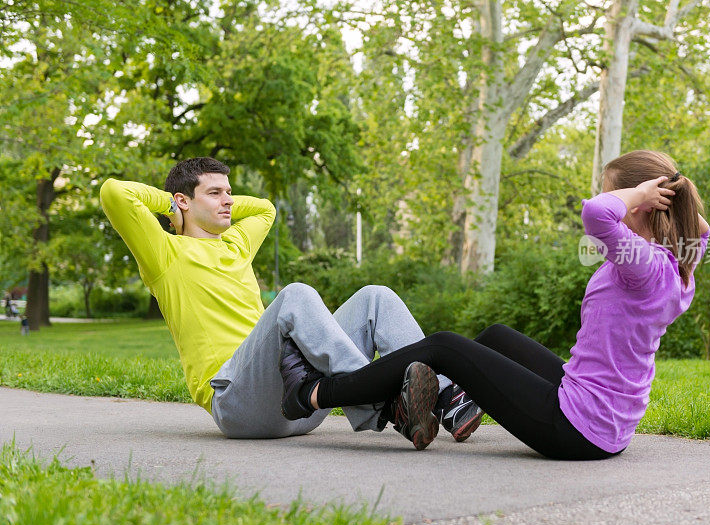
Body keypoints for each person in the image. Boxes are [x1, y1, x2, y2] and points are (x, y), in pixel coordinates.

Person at [282, 150, 710, 459]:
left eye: (616, 196)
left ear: (638, 207)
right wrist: (667, 189)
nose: (612, 202)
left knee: (444, 346)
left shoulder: (644, 263)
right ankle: (456, 406)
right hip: (604, 418)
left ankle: (314, 394)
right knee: (495, 339)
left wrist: (633, 193)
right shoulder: (680, 264)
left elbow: (596, 215)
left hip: (577, 430)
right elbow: (700, 226)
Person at [100, 157, 482, 448]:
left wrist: (209, 198)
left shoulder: (237, 245)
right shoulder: (164, 253)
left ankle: (449, 400)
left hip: (299, 405)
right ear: (181, 201)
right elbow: (115, 193)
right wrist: (171, 205)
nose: (229, 202)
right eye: (215, 193)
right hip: (238, 402)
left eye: (229, 192)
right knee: (295, 295)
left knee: (375, 298)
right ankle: (380, 405)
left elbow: (265, 207)